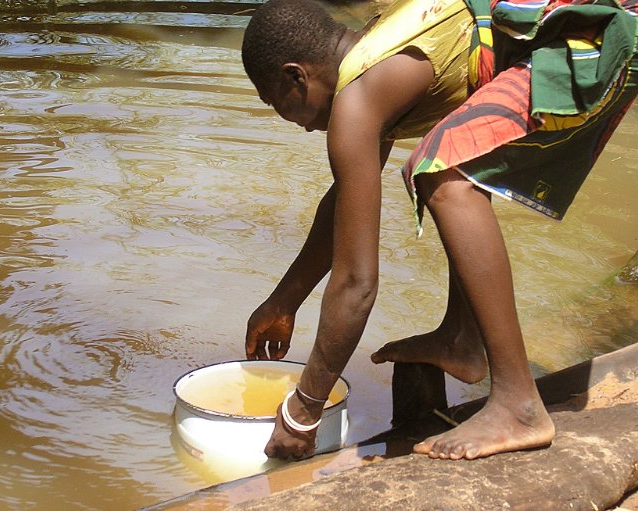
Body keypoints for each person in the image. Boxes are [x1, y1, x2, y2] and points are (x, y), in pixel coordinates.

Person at [241, 0, 637, 460]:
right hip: (589, 33)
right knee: (450, 160)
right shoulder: (372, 65)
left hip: (589, 40)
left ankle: (518, 405)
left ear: (296, 76)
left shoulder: (359, 97)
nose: (294, 124)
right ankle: (461, 340)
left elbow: (356, 284)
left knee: (442, 174)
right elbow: (344, 207)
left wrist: (304, 408)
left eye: (277, 104)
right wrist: (283, 301)